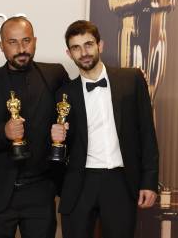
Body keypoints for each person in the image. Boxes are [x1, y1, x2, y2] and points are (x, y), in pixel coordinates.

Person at [52, 20, 159, 238]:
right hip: (79, 184)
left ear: (101, 45)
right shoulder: (63, 94)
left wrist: (149, 181)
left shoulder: (132, 79)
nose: (84, 52)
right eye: (76, 47)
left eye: (89, 44)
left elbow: (147, 133)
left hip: (120, 181)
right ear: (68, 53)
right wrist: (57, 138)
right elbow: (63, 143)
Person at [0, 16, 69, 238]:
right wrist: (2, 132)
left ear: (35, 41)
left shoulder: (55, 75)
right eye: (12, 42)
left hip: (40, 193)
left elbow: (74, 113)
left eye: (26, 40)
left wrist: (65, 131)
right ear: (1, 46)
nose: (21, 48)